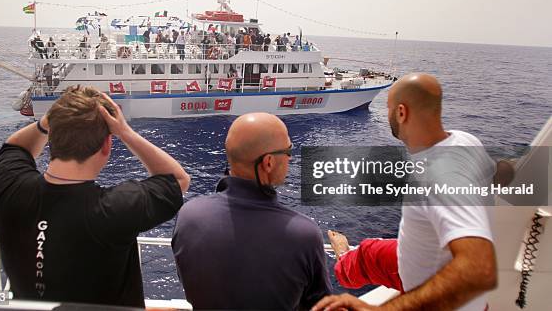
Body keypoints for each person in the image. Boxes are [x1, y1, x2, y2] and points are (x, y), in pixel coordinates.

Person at [0, 86, 190, 307]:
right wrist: (125, 132)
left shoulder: (6, 187)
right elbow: (179, 179)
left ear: (52, 136)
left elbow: (15, 147)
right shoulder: (114, 210)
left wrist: (47, 122)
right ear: (107, 145)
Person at [313, 73, 497, 311]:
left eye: (388, 108)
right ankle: (347, 255)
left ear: (401, 112)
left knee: (367, 255)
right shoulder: (465, 141)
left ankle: (344, 255)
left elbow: (478, 269)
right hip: (432, 261)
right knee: (370, 253)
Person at [172, 113, 331, 310]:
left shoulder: (189, 215)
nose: (290, 158)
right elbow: (320, 306)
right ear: (269, 162)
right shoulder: (303, 234)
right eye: (288, 150)